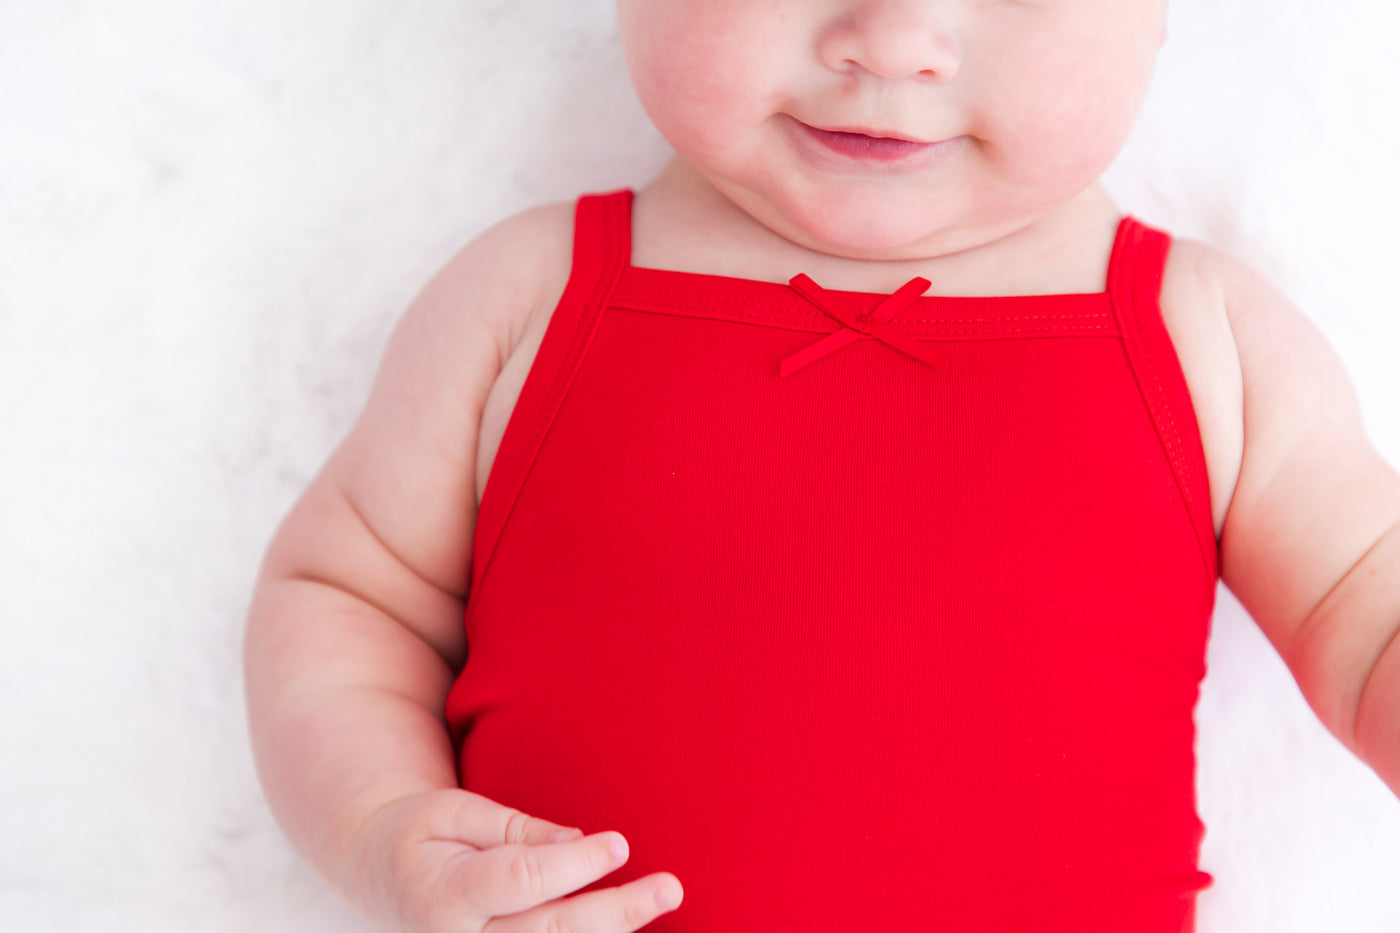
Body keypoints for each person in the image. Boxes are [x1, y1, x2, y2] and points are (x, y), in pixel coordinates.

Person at [242, 1, 1400, 931]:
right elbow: (347, 596)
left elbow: (1368, 611)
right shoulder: (527, 296)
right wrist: (382, 825)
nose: (892, 38)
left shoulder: (1206, 335)